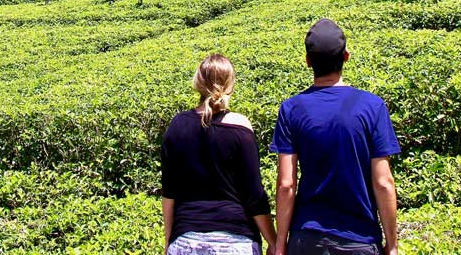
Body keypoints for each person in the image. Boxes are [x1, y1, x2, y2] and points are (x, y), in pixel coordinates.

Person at [271, 19, 400, 255]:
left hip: (306, 237)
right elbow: (383, 182)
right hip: (359, 237)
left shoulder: (291, 109)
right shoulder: (373, 106)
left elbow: (286, 184)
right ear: (346, 56)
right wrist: (392, 244)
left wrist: (280, 244)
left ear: (308, 61)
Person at [161, 54, 278, 255]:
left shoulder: (177, 125)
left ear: (197, 82)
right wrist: (274, 242)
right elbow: (254, 195)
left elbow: (169, 193)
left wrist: (168, 242)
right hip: (236, 242)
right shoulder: (240, 127)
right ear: (230, 85)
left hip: (186, 240)